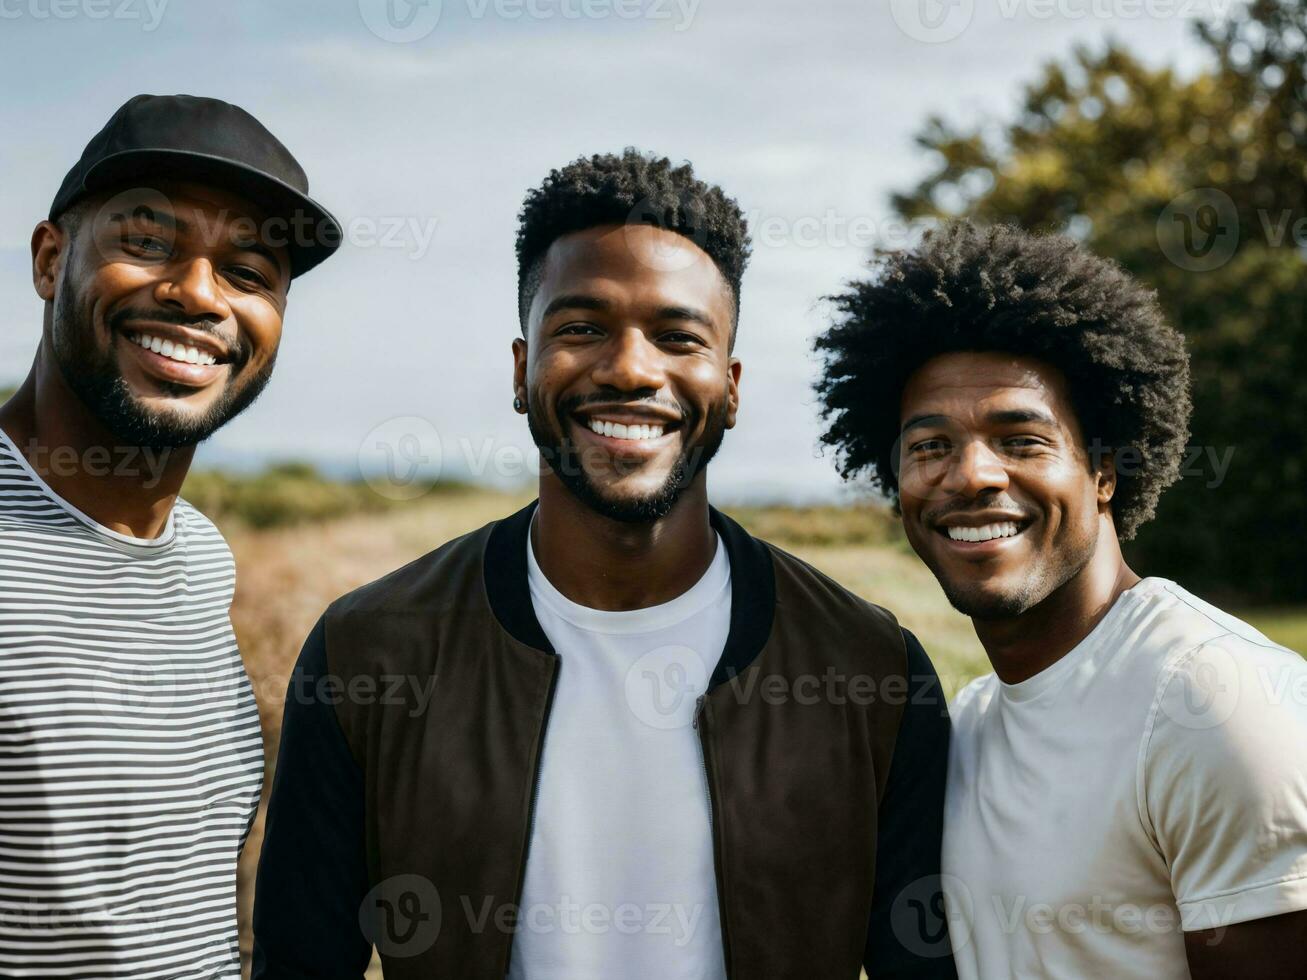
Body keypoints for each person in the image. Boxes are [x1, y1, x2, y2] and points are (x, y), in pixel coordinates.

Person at [253, 150, 956, 978]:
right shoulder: (369, 651)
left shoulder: (868, 670)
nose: (628, 369)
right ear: (522, 371)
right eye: (581, 328)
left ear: (729, 387)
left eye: (676, 337)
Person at [813, 220, 1307, 979]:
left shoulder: (1213, 699)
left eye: (1020, 440)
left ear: (1103, 471)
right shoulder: (971, 721)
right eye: (929, 446)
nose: (970, 475)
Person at [0, 93, 339, 977]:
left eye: (249, 272)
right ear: (50, 258)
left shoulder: (194, 556)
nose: (196, 293)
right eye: (146, 242)